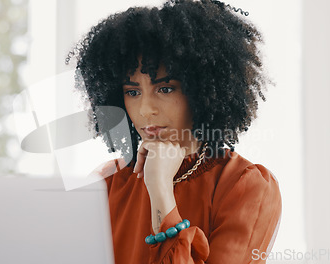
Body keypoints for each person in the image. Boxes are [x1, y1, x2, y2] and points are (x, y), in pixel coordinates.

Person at [67, 0, 282, 263]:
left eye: (165, 88)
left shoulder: (244, 185)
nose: (146, 109)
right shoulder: (108, 184)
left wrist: (160, 190)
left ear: (201, 91)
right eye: (132, 92)